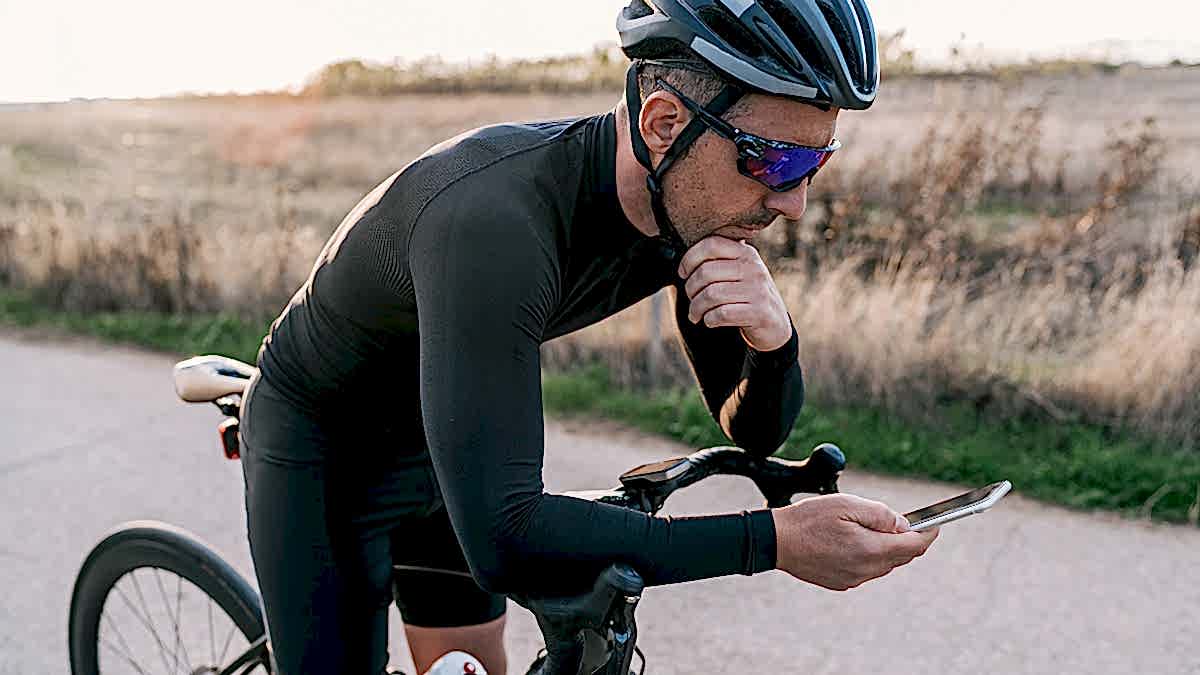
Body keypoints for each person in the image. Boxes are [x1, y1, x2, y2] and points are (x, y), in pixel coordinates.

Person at [237, 1, 939, 673]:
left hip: (453, 439)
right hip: (325, 449)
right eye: (773, 162)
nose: (795, 203)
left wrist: (773, 344)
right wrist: (774, 542)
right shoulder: (492, 223)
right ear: (663, 123)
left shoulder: (686, 208)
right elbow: (507, 538)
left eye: (815, 163)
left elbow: (751, 429)